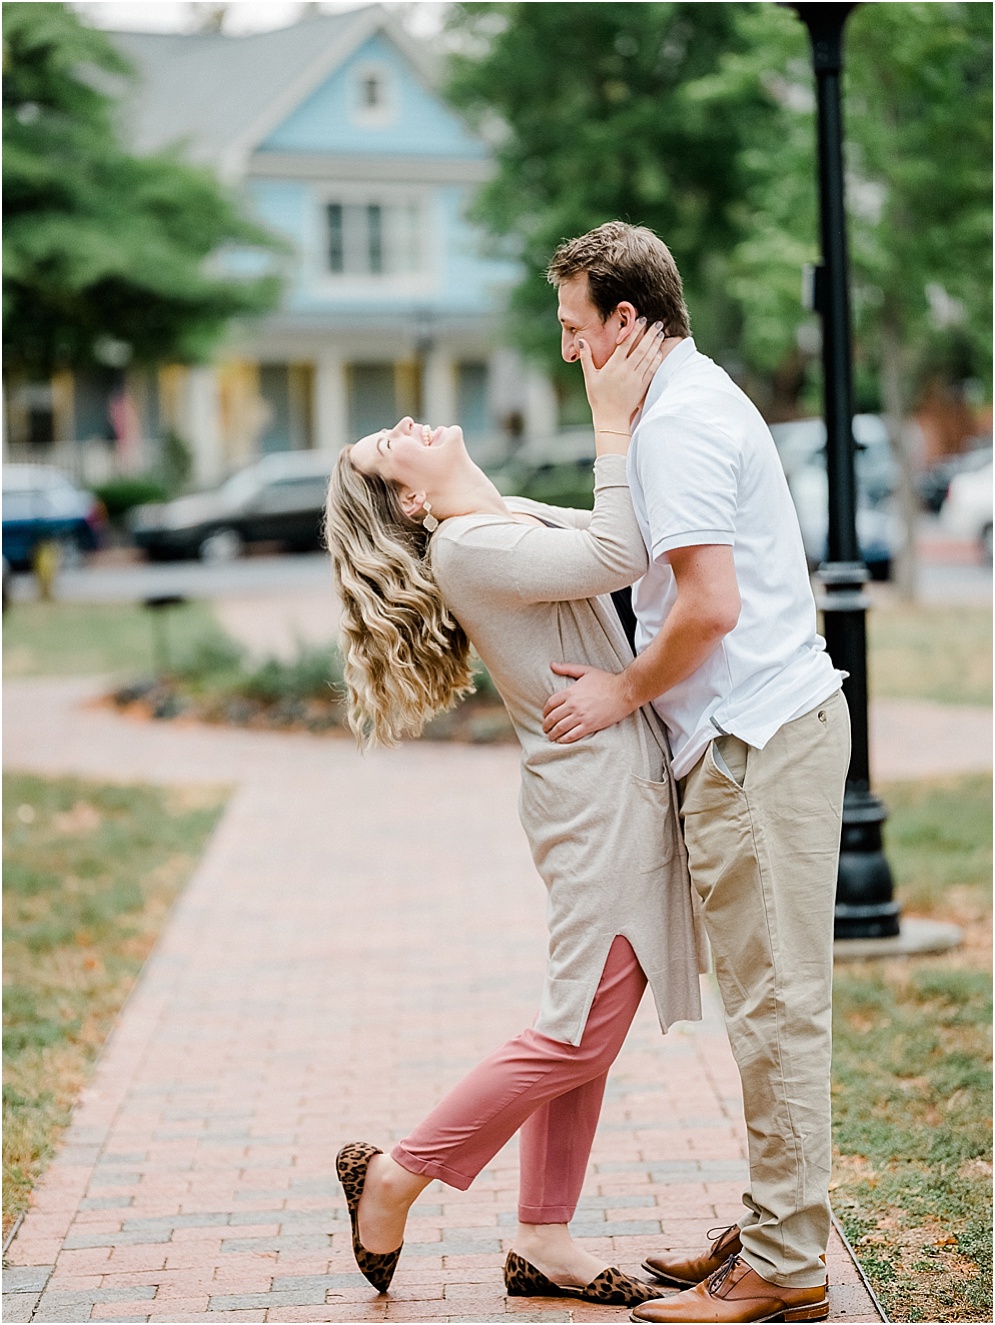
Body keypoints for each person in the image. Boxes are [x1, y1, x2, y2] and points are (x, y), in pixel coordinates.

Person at [325, 323, 707, 1307]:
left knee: (586, 1024)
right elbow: (618, 549)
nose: (404, 425)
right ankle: (397, 1174)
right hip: (592, 804)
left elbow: (602, 545)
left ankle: (543, 1232)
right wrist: (608, 418)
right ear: (408, 498)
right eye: (387, 444)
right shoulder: (469, 544)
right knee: (572, 1032)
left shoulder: (495, 517)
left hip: (602, 790)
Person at [541, 221, 849, 1325]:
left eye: (577, 328)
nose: (569, 349)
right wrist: (608, 430)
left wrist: (616, 693)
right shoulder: (684, 402)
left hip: (753, 744)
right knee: (771, 1002)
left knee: (773, 1008)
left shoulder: (675, 426)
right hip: (764, 734)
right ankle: (776, 1221)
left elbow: (708, 608)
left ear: (627, 320)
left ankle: (782, 1264)